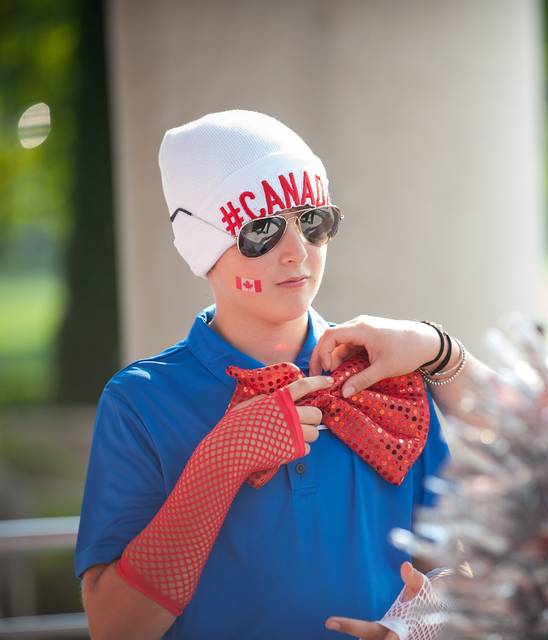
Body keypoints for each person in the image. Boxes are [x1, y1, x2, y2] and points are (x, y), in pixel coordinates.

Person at [75, 110, 489, 639]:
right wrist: (217, 466)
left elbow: (461, 567)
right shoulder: (140, 402)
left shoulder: (386, 371)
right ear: (203, 247)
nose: (298, 252)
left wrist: (415, 625)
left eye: (313, 221)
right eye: (262, 230)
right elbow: (115, 629)